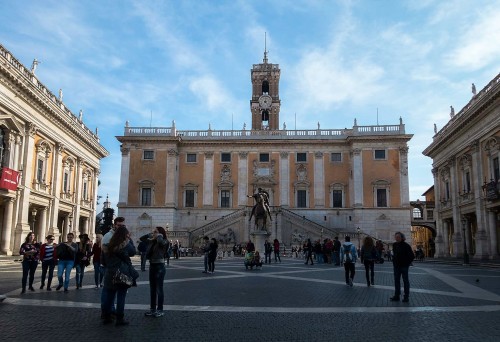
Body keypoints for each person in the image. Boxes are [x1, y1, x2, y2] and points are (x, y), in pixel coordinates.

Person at [102, 226, 137, 326]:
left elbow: (103, 260)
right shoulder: (125, 245)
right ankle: (119, 319)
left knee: (109, 296)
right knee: (121, 296)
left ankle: (107, 317)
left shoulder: (107, 246)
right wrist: (129, 240)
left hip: (109, 272)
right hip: (121, 273)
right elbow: (133, 252)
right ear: (124, 235)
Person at [141, 227, 169, 318]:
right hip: (152, 265)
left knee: (159, 289)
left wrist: (159, 236)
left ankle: (160, 310)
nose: (154, 233)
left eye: (155, 232)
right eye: (153, 232)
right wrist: (150, 234)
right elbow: (142, 239)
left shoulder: (164, 241)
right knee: (152, 289)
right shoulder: (152, 241)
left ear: (161, 233)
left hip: (160, 266)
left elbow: (162, 243)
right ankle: (152, 309)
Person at [390, 232, 415, 303]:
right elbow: (395, 254)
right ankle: (397, 295)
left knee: (405, 281)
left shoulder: (406, 246)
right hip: (396, 266)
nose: (397, 238)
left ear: (402, 237)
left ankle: (406, 296)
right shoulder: (394, 245)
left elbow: (412, 256)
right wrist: (394, 260)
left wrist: (406, 263)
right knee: (396, 281)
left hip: (404, 266)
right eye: (396, 237)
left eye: (398, 237)